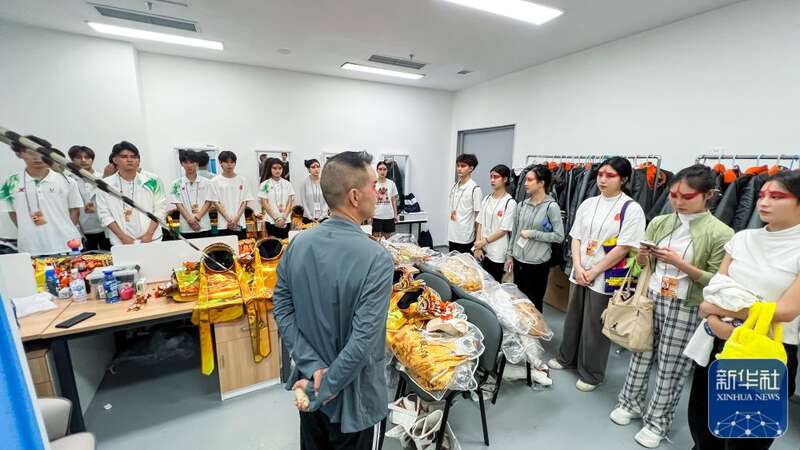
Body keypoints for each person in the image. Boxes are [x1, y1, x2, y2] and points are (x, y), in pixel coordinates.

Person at [273, 151, 393, 450]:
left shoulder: (298, 244)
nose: (378, 192)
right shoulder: (376, 258)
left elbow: (282, 309)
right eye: (373, 186)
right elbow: (363, 340)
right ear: (354, 196)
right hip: (353, 398)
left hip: (309, 384)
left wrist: (312, 367)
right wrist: (325, 387)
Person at [610, 165, 733, 448]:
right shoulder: (660, 222)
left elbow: (717, 280)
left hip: (686, 305)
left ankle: (657, 422)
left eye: (686, 196)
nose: (678, 202)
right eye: (673, 195)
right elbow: (641, 266)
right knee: (640, 352)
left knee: (671, 365)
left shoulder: (720, 233)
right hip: (651, 296)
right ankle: (629, 403)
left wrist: (680, 264)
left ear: (708, 195)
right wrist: (643, 255)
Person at [689, 170, 800, 450]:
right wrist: (713, 317)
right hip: (718, 340)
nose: (764, 202)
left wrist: (717, 312)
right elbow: (716, 287)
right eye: (761, 195)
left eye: (777, 196)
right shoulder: (743, 239)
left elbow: (786, 311)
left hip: (763, 349)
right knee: (703, 423)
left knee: (745, 438)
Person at [548, 157, 646, 392]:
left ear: (623, 179)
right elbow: (576, 237)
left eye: (610, 175)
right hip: (581, 269)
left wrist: (594, 271)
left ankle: (592, 373)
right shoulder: (588, 203)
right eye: (600, 174)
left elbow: (624, 247)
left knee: (595, 324)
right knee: (572, 318)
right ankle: (566, 358)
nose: (603, 179)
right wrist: (578, 266)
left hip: (605, 275)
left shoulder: (631, 209)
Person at [0, 136, 83, 256]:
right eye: (30, 152)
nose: (37, 157)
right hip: (31, 247)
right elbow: (12, 212)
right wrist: (30, 231)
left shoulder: (67, 181)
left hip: (66, 245)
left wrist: (64, 230)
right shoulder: (9, 183)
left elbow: (75, 210)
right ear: (19, 154)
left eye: (41, 153)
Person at [505, 164, 564, 313]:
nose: (525, 183)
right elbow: (515, 231)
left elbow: (559, 236)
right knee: (519, 302)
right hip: (519, 260)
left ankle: (535, 328)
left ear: (541, 183)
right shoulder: (522, 205)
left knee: (534, 304)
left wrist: (533, 234)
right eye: (525, 179)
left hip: (538, 264)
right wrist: (509, 255)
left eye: (530, 180)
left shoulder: (551, 207)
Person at [96, 141, 166, 246]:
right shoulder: (104, 185)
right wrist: (123, 237)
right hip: (121, 242)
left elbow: (160, 210)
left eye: (134, 157)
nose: (130, 160)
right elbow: (104, 215)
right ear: (115, 160)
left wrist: (149, 234)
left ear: (139, 160)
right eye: (124, 156)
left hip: (152, 239)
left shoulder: (152, 182)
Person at [474, 164, 516, 282]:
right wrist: (478, 246)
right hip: (482, 248)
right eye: (491, 177)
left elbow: (503, 230)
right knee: (480, 282)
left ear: (505, 179)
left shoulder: (510, 202)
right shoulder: (487, 198)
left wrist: (484, 241)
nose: (492, 180)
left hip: (497, 251)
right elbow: (480, 222)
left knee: (494, 284)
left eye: (496, 177)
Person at [68, 145, 111, 251]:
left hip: (105, 228)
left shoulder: (103, 178)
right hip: (83, 231)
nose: (83, 160)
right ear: (72, 160)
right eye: (79, 157)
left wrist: (105, 179)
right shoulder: (69, 180)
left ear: (92, 159)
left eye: (87, 157)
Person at [169, 150, 218, 239]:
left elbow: (208, 202)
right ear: (181, 164)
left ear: (197, 163)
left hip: (204, 226)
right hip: (185, 228)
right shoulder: (175, 184)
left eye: (192, 162)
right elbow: (178, 205)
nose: (189, 165)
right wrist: (190, 221)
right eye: (186, 162)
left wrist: (197, 218)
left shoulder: (207, 182)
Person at [212, 151, 253, 240]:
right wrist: (228, 219)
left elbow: (245, 202)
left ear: (235, 163)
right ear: (220, 163)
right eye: (226, 162)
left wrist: (236, 219)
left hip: (239, 223)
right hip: (223, 224)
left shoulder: (243, 180)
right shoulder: (215, 181)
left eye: (232, 162)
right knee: (226, 248)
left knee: (241, 246)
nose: (229, 165)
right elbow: (216, 203)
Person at [448, 154, 482, 253]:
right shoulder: (455, 186)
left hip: (465, 237)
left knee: (464, 262)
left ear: (471, 168)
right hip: (452, 234)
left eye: (463, 166)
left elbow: (478, 216)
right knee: (452, 261)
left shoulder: (475, 189)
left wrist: (477, 240)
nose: (459, 169)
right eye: (458, 166)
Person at [259, 157, 295, 239]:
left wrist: (284, 218)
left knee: (286, 243)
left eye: (280, 168)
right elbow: (264, 202)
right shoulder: (265, 184)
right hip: (271, 221)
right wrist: (276, 218)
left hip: (286, 220)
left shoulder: (288, 184)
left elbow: (290, 202)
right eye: (274, 168)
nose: (277, 170)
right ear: (270, 169)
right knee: (273, 244)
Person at [372, 161, 399, 239]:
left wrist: (395, 214)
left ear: (387, 171)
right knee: (375, 239)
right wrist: (369, 217)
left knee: (387, 240)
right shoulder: (373, 184)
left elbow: (393, 200)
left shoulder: (391, 184)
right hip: (376, 216)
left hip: (389, 216)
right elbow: (370, 200)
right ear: (377, 170)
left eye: (384, 169)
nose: (382, 171)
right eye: (380, 169)